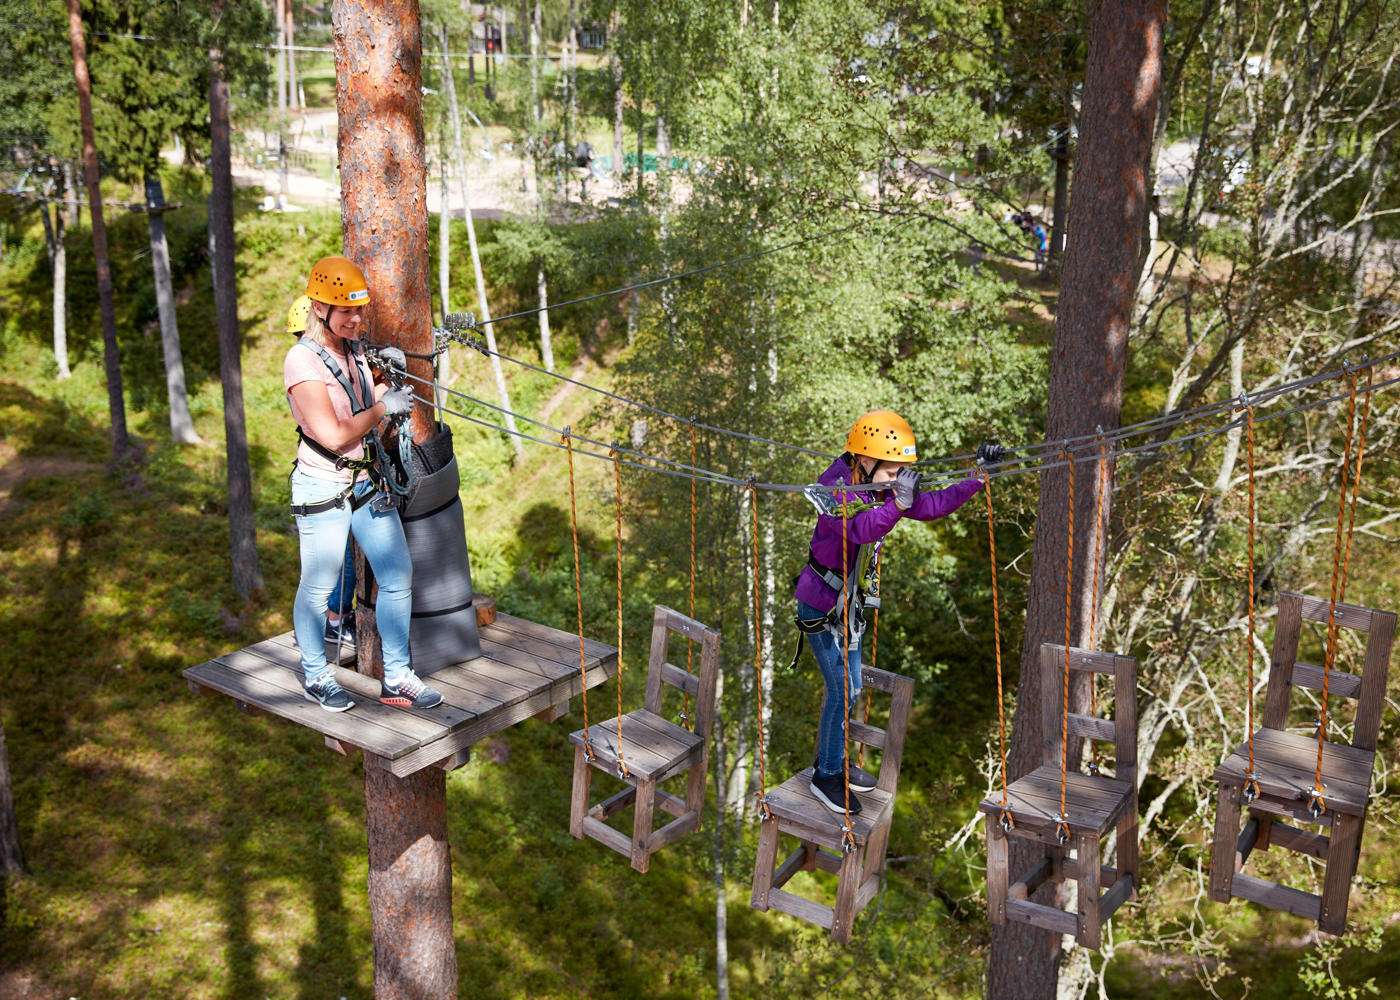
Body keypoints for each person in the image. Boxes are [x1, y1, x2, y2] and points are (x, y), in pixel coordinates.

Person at [793, 411, 1003, 813]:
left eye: (899, 473)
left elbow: (934, 505)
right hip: (820, 602)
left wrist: (979, 477)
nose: (896, 481)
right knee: (841, 688)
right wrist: (899, 503)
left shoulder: (878, 486)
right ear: (864, 459)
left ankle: (830, 759)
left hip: (847, 604)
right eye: (891, 472)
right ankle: (826, 776)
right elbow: (860, 529)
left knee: (853, 686)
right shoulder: (832, 491)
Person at [285, 255, 442, 712]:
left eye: (359, 310)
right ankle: (317, 676)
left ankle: (398, 677)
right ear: (319, 309)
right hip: (323, 486)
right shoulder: (302, 361)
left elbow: (364, 398)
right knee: (318, 588)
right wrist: (383, 408)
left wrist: (385, 382)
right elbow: (333, 434)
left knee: (397, 576)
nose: (356, 319)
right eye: (346, 311)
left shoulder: (352, 349)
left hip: (365, 482)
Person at [287, 294, 356, 651]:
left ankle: (336, 616)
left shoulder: (333, 360)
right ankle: (335, 619)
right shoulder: (305, 366)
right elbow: (333, 430)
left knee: (342, 557)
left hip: (342, 473)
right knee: (339, 560)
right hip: (327, 475)